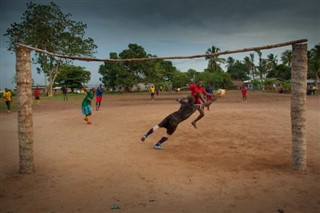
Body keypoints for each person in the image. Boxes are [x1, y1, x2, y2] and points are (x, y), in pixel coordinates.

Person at [141, 95, 205, 150]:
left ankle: (146, 135)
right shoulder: (195, 107)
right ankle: (158, 144)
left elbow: (177, 99)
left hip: (171, 116)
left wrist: (184, 97)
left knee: (157, 126)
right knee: (168, 134)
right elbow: (202, 111)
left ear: (188, 100)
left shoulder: (184, 103)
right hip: (175, 121)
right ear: (193, 101)